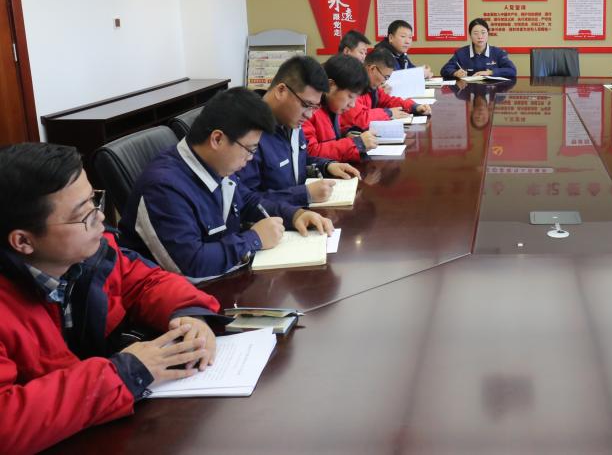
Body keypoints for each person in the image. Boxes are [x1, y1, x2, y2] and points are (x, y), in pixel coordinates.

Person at [0, 143, 224, 453]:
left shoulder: (90, 253)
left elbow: (145, 282)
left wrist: (190, 314)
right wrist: (125, 372)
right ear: (23, 241)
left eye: (94, 200)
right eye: (84, 214)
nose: (101, 217)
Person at [119, 88, 333, 281]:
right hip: (184, 300)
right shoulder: (163, 187)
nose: (250, 158)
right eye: (249, 149)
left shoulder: (214, 164)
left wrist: (294, 215)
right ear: (217, 139)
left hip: (226, 280)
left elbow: (248, 200)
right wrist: (254, 239)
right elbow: (189, 265)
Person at [237, 56, 359, 208]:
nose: (309, 115)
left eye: (315, 107)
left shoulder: (290, 121)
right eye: (306, 105)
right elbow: (244, 201)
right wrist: (304, 194)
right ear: (281, 90)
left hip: (297, 212)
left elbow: (297, 159)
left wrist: (326, 166)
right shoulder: (247, 133)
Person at [303, 54, 377, 163]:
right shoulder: (307, 110)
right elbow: (309, 153)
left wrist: (345, 134)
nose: (352, 105)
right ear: (330, 85)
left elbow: (330, 136)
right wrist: (356, 144)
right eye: (350, 96)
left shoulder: (332, 106)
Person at [340, 49, 433, 131]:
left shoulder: (372, 86)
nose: (385, 81)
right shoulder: (353, 85)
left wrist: (414, 107)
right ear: (372, 69)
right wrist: (389, 113)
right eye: (385, 77)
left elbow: (388, 101)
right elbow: (359, 118)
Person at [440, 18, 517, 79]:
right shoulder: (461, 53)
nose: (480, 37)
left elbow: (512, 70)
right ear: (470, 35)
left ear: (488, 34)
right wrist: (455, 73)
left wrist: (490, 72)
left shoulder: (498, 53)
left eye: (483, 33)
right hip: (468, 90)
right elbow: (444, 70)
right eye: (475, 33)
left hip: (491, 90)